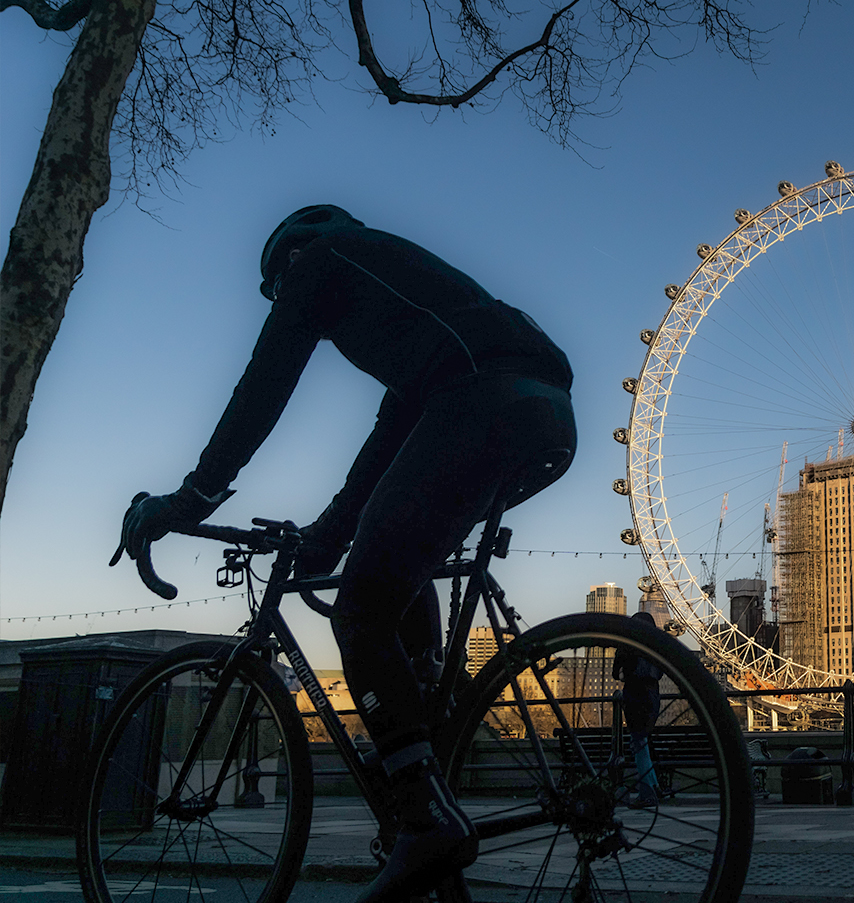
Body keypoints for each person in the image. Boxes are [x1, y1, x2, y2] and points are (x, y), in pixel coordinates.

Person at [116, 205, 576, 903]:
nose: (281, 304)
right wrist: (331, 532)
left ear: (287, 261)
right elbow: (389, 442)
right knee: (397, 565)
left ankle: (424, 820)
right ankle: (429, 771)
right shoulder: (413, 314)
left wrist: (189, 500)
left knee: (359, 609)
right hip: (544, 410)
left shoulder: (323, 260)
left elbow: (262, 388)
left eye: (275, 292)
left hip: (481, 399)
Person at [612, 612, 665, 808]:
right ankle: (653, 786)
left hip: (634, 694)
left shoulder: (628, 646)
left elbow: (614, 672)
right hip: (653, 695)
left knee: (638, 743)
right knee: (643, 743)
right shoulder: (656, 646)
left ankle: (646, 793)